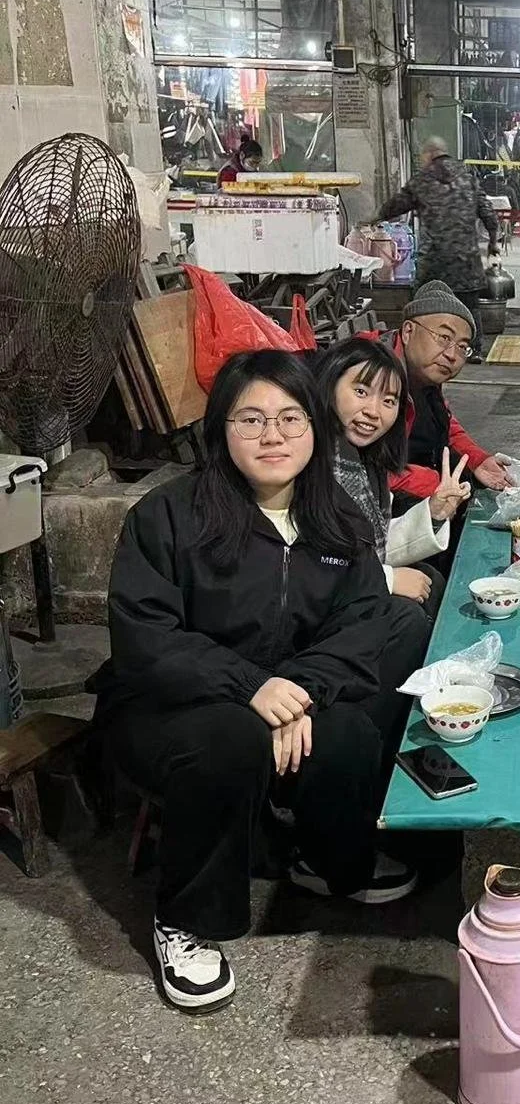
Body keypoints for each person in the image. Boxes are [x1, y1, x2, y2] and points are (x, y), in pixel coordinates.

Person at [94, 350, 421, 1014]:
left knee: (352, 729)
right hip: (167, 702)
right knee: (228, 742)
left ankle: (324, 860)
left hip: (282, 688)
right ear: (221, 432)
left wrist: (298, 690)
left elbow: (361, 621)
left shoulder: (336, 520)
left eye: (289, 419)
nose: (273, 436)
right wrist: (251, 687)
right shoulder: (168, 517)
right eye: (252, 419)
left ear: (314, 429)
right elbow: (146, 636)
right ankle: (186, 918)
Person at [314, 334, 456, 607]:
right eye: (361, 392)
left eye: (389, 401)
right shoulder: (314, 459)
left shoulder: (367, 460)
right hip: (322, 605)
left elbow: (373, 544)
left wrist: (434, 514)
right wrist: (386, 579)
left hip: (349, 583)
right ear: (329, 384)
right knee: (408, 617)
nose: (373, 411)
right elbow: (313, 564)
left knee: (431, 579)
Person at [390, 281, 514, 502]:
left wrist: (477, 460)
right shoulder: (371, 373)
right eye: (444, 337)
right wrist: (436, 483)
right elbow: (355, 469)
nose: (452, 355)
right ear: (408, 331)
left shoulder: (422, 375)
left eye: (462, 346)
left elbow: (446, 423)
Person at [380, 137, 500, 340]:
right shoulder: (467, 178)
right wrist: (493, 242)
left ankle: (429, 343)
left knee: (425, 304)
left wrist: (376, 218)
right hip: (466, 259)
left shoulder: (423, 180)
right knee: (470, 305)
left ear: (429, 154)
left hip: (435, 260)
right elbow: (488, 213)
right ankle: (474, 348)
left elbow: (394, 207)